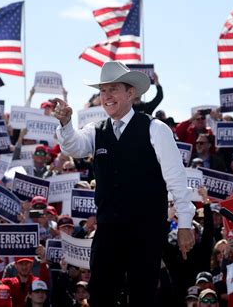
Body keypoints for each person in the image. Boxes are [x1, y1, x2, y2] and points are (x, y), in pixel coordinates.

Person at [54, 61, 195, 306]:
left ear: (130, 93)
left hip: (146, 230)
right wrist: (66, 124)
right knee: (100, 295)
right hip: (108, 229)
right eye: (103, 91)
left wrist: (185, 223)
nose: (106, 96)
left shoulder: (155, 128)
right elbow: (74, 147)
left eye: (113, 89)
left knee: (142, 296)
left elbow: (177, 180)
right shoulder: (95, 130)